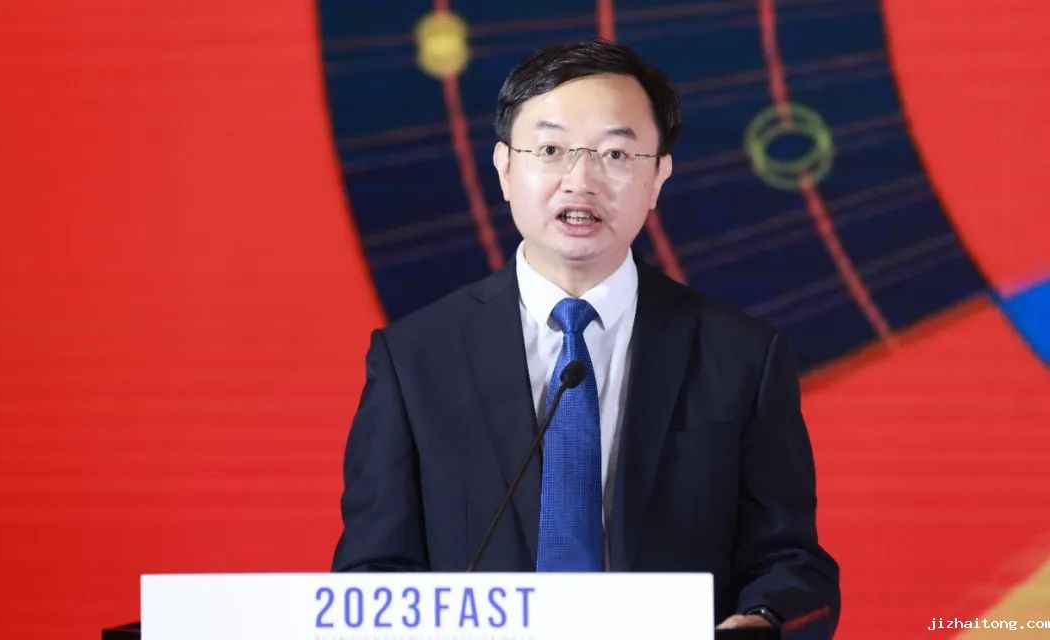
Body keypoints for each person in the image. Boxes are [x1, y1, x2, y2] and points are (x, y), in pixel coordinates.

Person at [332, 40, 840, 635]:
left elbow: (792, 565)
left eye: (616, 154)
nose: (581, 180)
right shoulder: (416, 359)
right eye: (551, 150)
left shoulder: (742, 357)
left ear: (658, 177)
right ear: (504, 169)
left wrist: (761, 621)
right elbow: (372, 575)